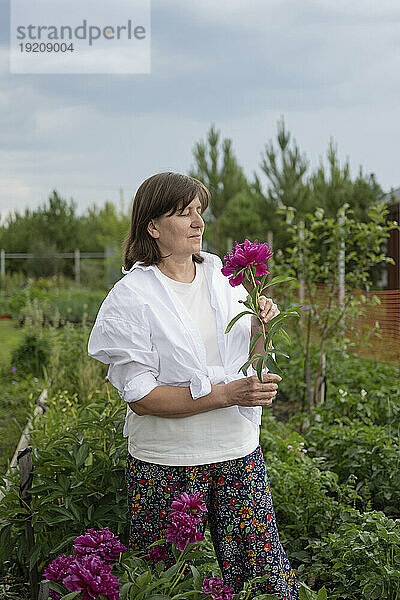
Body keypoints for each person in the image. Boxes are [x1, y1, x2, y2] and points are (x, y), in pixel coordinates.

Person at [87, 172, 300, 600]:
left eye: (199, 212)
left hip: (238, 452)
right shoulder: (132, 297)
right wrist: (225, 395)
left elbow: (248, 360)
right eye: (183, 214)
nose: (197, 222)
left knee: (264, 579)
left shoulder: (224, 278)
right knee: (164, 582)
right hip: (167, 462)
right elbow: (143, 398)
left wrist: (262, 326)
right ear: (152, 226)